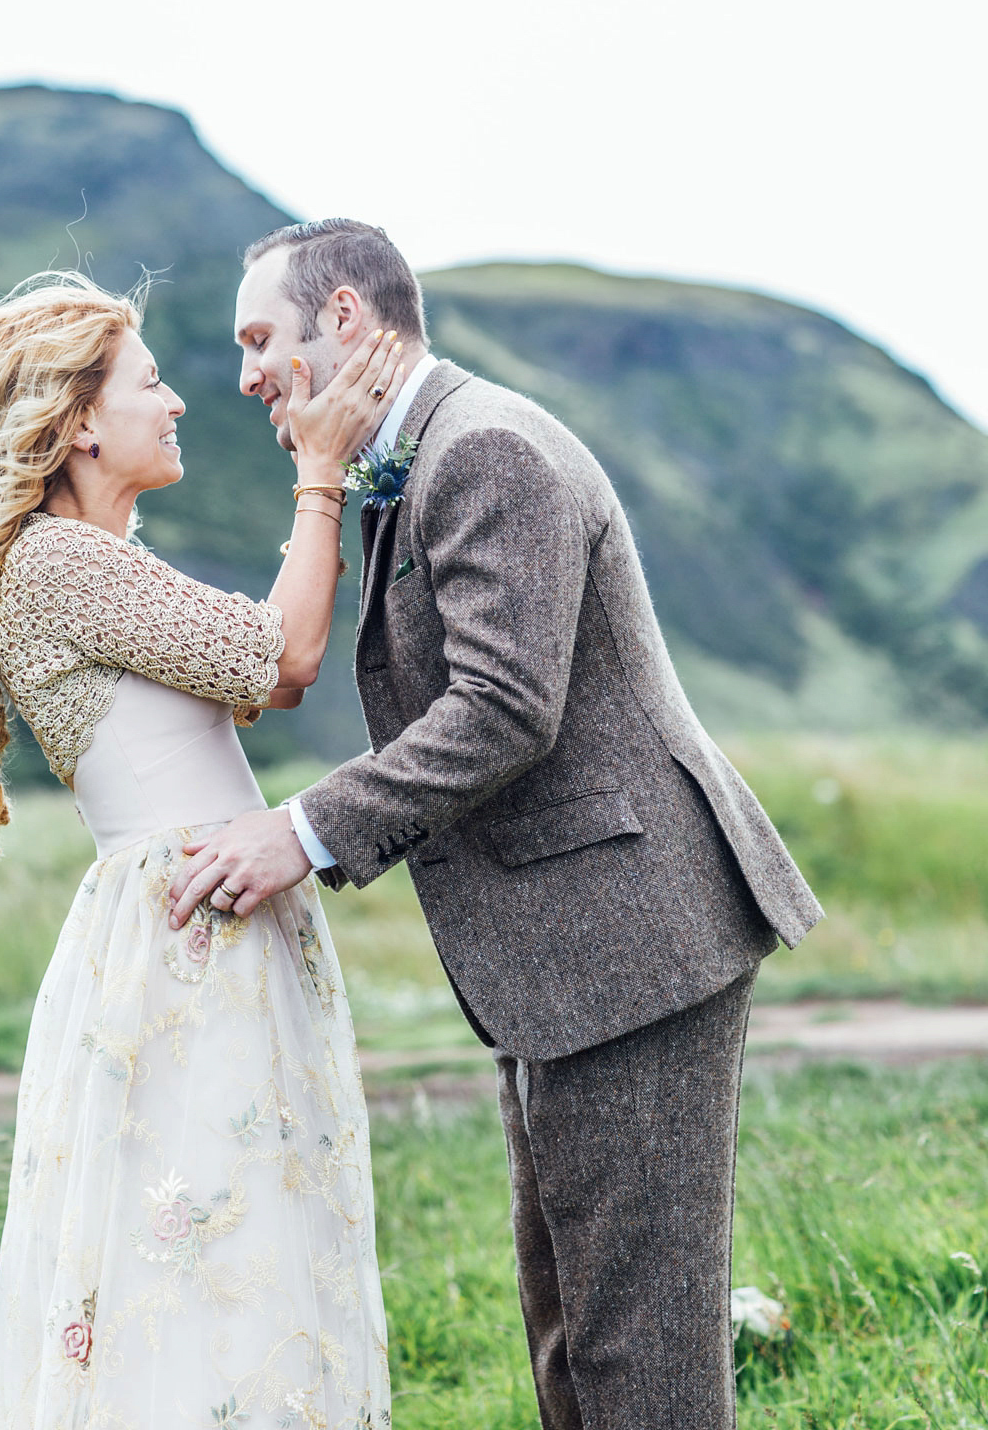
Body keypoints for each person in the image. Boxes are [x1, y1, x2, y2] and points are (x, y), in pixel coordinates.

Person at [170, 219, 824, 1430]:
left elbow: (504, 708)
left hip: (633, 944)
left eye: (263, 339)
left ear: (349, 319)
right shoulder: (422, 457)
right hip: (580, 951)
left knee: (640, 1358)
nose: (248, 373)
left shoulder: (485, 451)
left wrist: (302, 830)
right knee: (575, 1334)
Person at [0, 270, 403, 1430]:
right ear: (76, 420)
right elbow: (281, 661)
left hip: (192, 913)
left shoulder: (81, 560)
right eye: (151, 381)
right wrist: (319, 478)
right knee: (215, 1246)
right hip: (189, 938)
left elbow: (255, 665)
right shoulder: (64, 562)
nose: (176, 403)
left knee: (218, 1243)